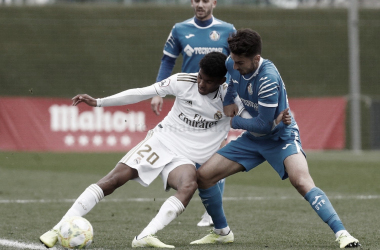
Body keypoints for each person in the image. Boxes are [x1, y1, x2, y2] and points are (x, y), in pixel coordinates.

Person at [39, 52, 290, 249]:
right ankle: (56, 228)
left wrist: (277, 120)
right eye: (200, 76)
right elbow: (141, 92)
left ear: (222, 81)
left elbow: (257, 121)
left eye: (208, 81)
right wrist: (100, 102)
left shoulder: (230, 100)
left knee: (189, 184)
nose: (201, 83)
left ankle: (145, 236)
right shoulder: (183, 81)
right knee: (114, 179)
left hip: (187, 159)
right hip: (161, 141)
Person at [190, 29, 361, 249]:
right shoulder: (232, 64)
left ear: (256, 59)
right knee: (203, 176)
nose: (235, 66)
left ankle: (343, 234)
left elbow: (263, 126)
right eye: (233, 60)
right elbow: (232, 82)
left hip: (281, 136)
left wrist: (236, 122)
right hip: (253, 139)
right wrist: (229, 100)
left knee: (301, 181)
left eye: (240, 62)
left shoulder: (268, 79)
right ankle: (222, 232)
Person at [151, 0, 236, 227]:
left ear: (214, 3)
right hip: (187, 104)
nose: (200, 4)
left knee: (216, 156)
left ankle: (211, 212)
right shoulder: (180, 29)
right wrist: (159, 91)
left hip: (216, 105)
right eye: (196, 0)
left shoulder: (228, 31)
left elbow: (238, 65)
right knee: (188, 156)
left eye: (205, 0)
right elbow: (168, 60)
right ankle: (176, 179)